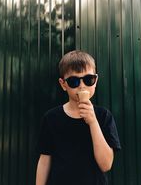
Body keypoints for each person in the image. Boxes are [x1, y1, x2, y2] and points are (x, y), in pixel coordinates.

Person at [36, 50, 121, 185]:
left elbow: (106, 164)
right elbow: (45, 159)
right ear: (63, 84)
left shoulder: (104, 116)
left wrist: (93, 122)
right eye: (74, 81)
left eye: (88, 80)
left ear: (95, 81)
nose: (82, 86)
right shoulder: (51, 118)